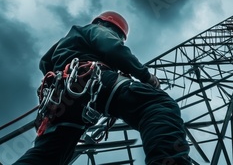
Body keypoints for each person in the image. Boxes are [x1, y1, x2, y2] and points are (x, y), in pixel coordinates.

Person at [14, 11, 191, 165]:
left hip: (60, 101)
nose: (116, 38)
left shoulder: (63, 44)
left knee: (47, 156)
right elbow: (112, 48)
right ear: (106, 25)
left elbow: (44, 64)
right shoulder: (94, 30)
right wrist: (146, 76)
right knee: (158, 104)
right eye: (117, 35)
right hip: (89, 79)